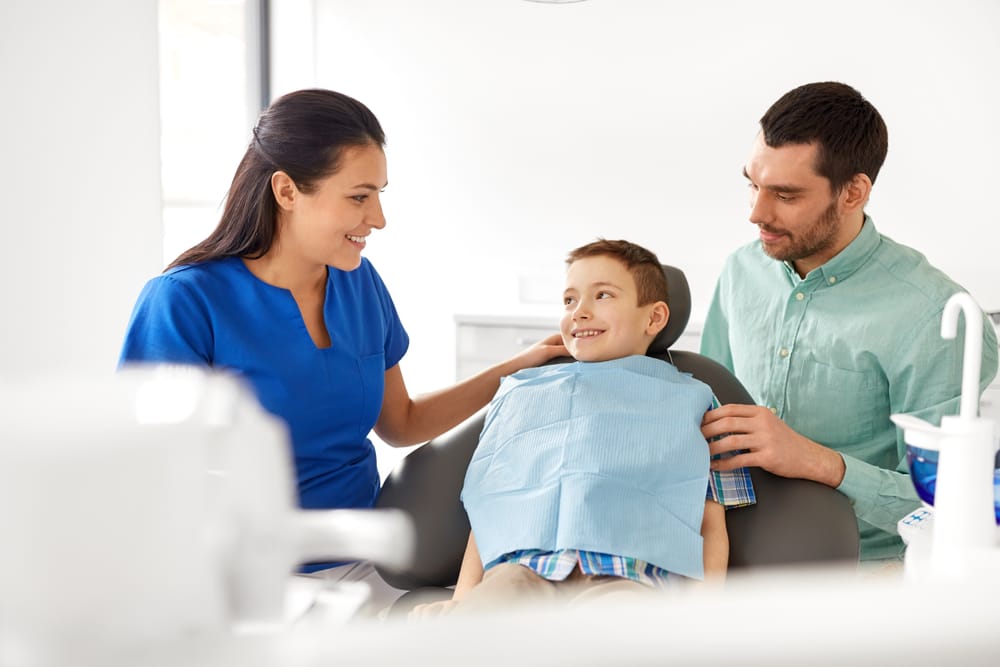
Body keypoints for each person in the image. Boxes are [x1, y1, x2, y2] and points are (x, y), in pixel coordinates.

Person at [118, 88, 567, 612]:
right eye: (358, 196)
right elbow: (146, 476)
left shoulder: (358, 283)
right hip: (244, 581)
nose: (377, 218)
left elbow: (401, 422)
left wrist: (520, 367)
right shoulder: (185, 301)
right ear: (286, 191)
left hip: (365, 562)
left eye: (379, 194)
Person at [699, 81, 999, 566]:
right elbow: (700, 408)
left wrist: (816, 461)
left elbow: (944, 509)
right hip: (728, 552)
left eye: (785, 194)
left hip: (863, 575)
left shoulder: (935, 314)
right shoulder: (741, 270)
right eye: (753, 184)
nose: (756, 213)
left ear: (854, 192)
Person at [412, 240, 755, 618]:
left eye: (603, 295)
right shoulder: (520, 395)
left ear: (654, 318)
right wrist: (462, 601)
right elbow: (492, 507)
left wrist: (704, 612)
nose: (581, 312)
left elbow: (710, 521)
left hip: (630, 577)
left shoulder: (697, 402)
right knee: (477, 625)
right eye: (569, 301)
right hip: (523, 572)